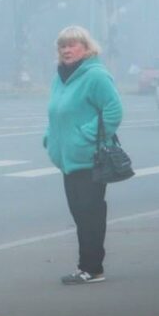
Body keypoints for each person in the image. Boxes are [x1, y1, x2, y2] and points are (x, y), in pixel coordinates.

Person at [43, 25, 124, 285]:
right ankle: (86, 267)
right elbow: (57, 112)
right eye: (62, 46)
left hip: (89, 158)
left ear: (86, 48)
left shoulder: (96, 76)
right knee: (80, 214)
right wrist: (50, 137)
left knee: (90, 213)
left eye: (72, 45)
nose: (66, 50)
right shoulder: (61, 77)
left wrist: (85, 136)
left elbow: (113, 111)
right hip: (68, 160)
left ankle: (92, 268)